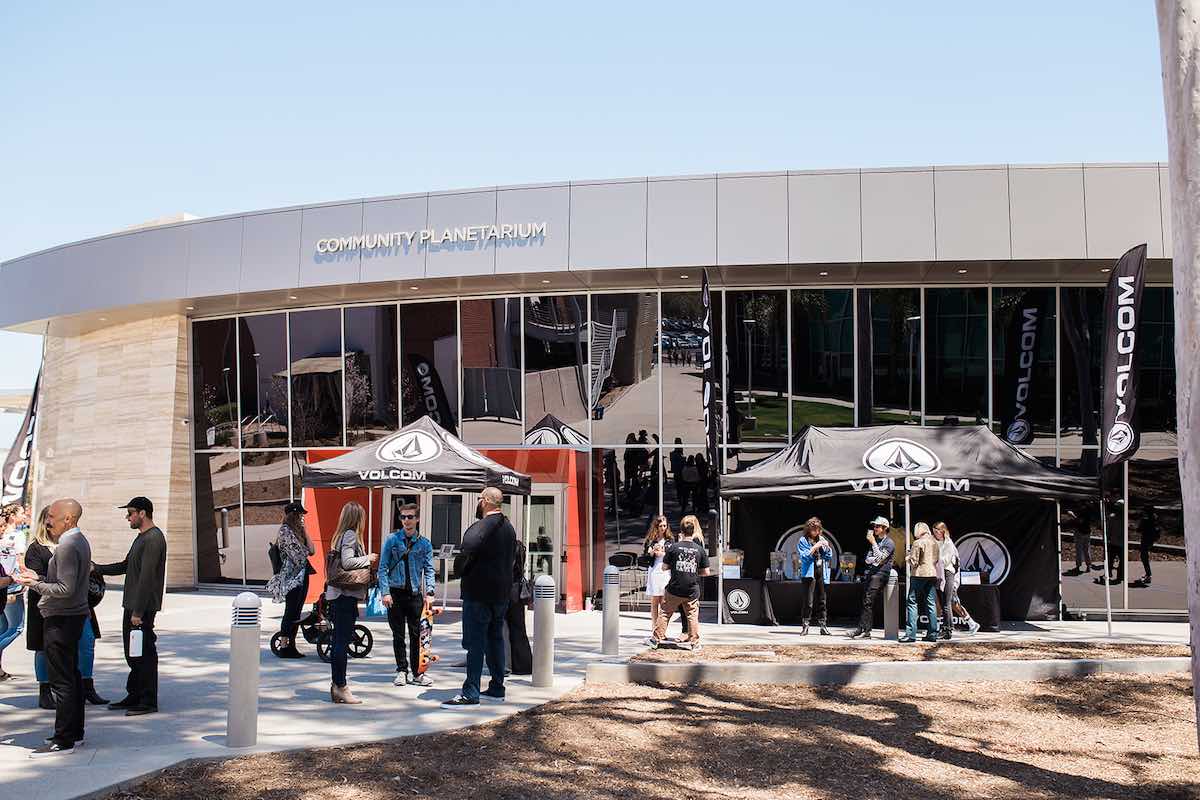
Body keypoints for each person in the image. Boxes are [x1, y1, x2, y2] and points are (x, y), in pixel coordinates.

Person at [15, 498, 91, 757]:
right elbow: (62, 582)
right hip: (70, 615)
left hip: (62, 617)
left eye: (52, 518)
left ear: (68, 519)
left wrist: (34, 585)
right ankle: (75, 733)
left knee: (62, 680)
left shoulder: (68, 545)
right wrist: (40, 578)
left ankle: (64, 739)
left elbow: (65, 589)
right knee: (71, 675)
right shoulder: (77, 541)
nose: (48, 523)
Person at [442, 487, 515, 708]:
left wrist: (461, 571)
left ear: (484, 501)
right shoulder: (509, 528)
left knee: (476, 643)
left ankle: (470, 692)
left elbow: (464, 555)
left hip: (479, 594)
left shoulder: (480, 527)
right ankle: (496, 687)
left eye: (479, 499)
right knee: (495, 640)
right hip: (501, 593)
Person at [94, 497, 167, 716]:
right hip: (133, 605)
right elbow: (126, 566)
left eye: (131, 513)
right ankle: (134, 694)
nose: (128, 517)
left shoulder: (154, 539)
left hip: (141, 607)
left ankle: (147, 700)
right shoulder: (141, 538)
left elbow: (147, 578)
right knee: (132, 653)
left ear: (143, 513)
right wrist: (96, 568)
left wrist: (138, 611)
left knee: (143, 653)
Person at [378, 502, 436, 687]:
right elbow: (382, 568)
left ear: (417, 519)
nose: (406, 521)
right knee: (398, 635)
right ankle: (401, 670)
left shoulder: (424, 543)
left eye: (410, 517)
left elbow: (429, 570)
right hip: (395, 594)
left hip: (414, 595)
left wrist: (430, 592)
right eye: (403, 517)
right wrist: (385, 592)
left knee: (417, 635)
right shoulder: (392, 540)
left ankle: (418, 673)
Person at [326, 501, 376, 704]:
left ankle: (337, 685)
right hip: (344, 595)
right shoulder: (350, 535)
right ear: (357, 518)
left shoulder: (338, 536)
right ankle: (341, 686)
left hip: (338, 595)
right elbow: (347, 562)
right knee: (341, 643)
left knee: (338, 641)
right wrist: (367, 558)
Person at [647, 517, 710, 651]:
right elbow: (706, 572)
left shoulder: (674, 548)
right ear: (693, 532)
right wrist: (692, 570)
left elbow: (664, 567)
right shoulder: (699, 550)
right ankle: (695, 643)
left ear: (681, 531)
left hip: (674, 588)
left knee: (665, 613)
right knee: (692, 616)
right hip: (691, 589)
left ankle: (655, 639)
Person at [265, 501, 315, 659]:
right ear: (293, 515)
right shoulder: (285, 531)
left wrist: (305, 531)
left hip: (301, 576)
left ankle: (292, 645)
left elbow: (312, 551)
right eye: (300, 515)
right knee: (290, 612)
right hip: (291, 578)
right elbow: (299, 556)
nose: (302, 518)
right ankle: (286, 646)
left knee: (297, 612)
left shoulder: (298, 531)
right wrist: (304, 549)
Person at [848, 516, 896, 639]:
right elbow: (867, 559)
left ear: (885, 528)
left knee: (868, 601)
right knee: (865, 601)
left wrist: (874, 543)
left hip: (880, 574)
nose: (875, 528)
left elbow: (880, 559)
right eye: (874, 526)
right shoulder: (876, 542)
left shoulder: (889, 542)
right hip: (871, 573)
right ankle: (861, 629)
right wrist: (876, 555)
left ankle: (866, 631)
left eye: (878, 526)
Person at [0, 503, 28, 680]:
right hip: (12, 583)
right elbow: (20, 561)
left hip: (5, 582)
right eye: (22, 514)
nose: (24, 517)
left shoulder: (4, 535)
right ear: (12, 516)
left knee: (2, 627)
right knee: (16, 627)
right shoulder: (17, 535)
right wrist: (25, 578)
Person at [900, 522, 940, 643]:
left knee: (912, 601)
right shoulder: (935, 542)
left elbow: (914, 562)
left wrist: (907, 556)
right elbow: (937, 559)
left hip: (919, 574)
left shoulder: (918, 543)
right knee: (931, 602)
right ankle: (933, 633)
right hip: (932, 573)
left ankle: (911, 634)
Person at [796, 517, 831, 636]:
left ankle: (823, 626)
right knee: (808, 601)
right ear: (808, 529)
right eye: (814, 529)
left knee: (822, 600)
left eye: (818, 529)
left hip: (821, 572)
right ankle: (805, 626)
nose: (816, 532)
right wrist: (815, 547)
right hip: (808, 573)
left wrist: (827, 546)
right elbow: (804, 557)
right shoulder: (803, 540)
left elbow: (828, 556)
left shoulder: (821, 539)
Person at [505, 532, 532, 676]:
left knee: (504, 629)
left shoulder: (507, 547)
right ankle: (523, 663)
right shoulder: (519, 546)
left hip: (507, 589)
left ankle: (507, 663)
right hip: (517, 590)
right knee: (518, 628)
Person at [643, 515, 672, 629]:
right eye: (660, 526)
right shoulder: (651, 540)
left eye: (665, 525)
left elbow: (672, 554)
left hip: (665, 571)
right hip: (654, 569)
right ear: (656, 526)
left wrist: (663, 553)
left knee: (663, 600)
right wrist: (651, 552)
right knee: (655, 599)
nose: (663, 528)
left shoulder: (670, 540)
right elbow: (645, 555)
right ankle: (654, 627)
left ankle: (661, 628)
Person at [932, 522, 958, 640]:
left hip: (947, 573)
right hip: (937, 574)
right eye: (934, 530)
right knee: (942, 603)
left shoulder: (948, 543)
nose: (935, 532)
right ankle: (945, 628)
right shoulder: (933, 541)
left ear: (942, 531)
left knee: (947, 603)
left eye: (937, 530)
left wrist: (935, 559)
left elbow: (947, 560)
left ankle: (947, 630)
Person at [1130, 504, 1160, 588]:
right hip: (1151, 540)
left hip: (1145, 540)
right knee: (1145, 557)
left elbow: (1139, 529)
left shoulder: (1145, 520)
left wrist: (1133, 527)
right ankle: (1148, 574)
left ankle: (1148, 575)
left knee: (1144, 557)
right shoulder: (1155, 518)